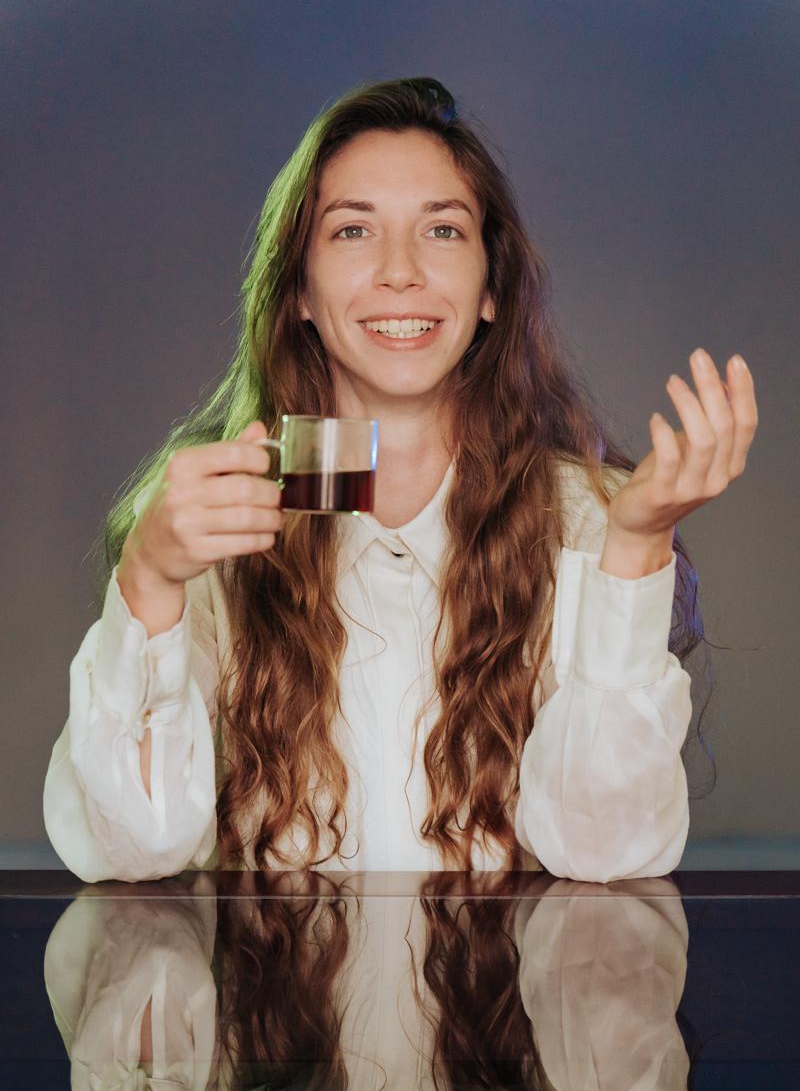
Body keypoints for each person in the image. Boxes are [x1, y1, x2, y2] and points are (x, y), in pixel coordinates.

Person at [43, 77, 757, 883]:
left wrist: (634, 548)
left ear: (491, 290)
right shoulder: (210, 515)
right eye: (353, 230)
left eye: (442, 230)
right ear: (299, 289)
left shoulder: (589, 519)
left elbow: (603, 855)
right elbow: (130, 852)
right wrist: (148, 580)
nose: (400, 272)